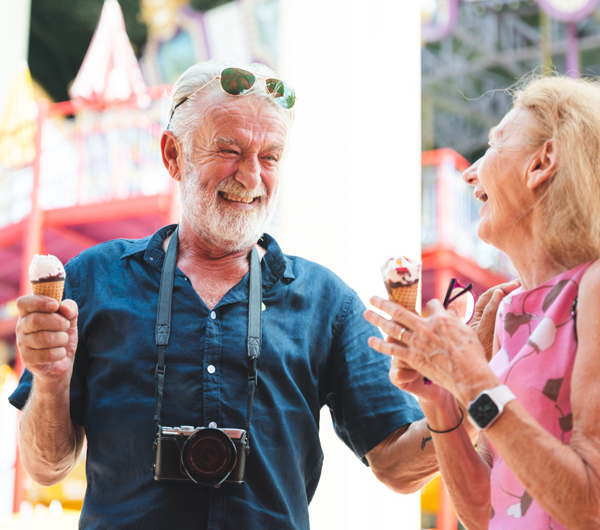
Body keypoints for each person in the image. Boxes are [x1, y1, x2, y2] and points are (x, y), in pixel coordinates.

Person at [11, 60, 439, 529]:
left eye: (270, 156)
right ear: (173, 155)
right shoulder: (95, 279)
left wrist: (464, 399)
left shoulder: (327, 304)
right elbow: (46, 467)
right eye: (230, 149)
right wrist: (49, 379)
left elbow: (398, 467)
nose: (252, 177)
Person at [367, 74, 600, 529]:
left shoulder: (593, 287)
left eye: (493, 147)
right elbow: (485, 513)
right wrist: (441, 401)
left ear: (542, 162)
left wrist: (471, 379)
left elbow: (589, 506)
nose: (471, 172)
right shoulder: (511, 309)